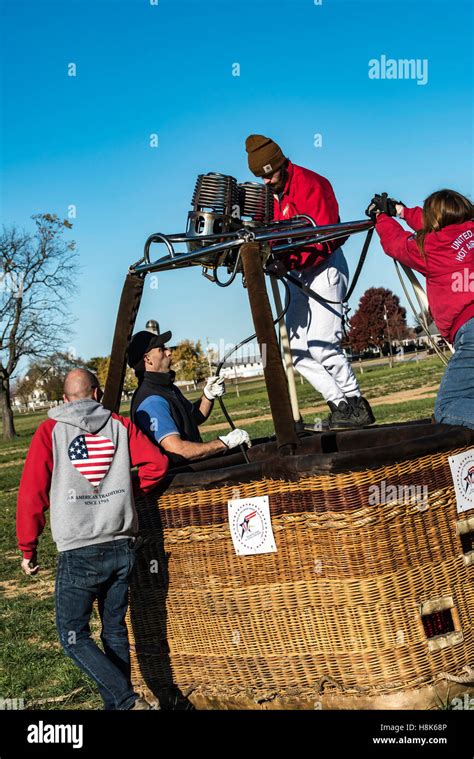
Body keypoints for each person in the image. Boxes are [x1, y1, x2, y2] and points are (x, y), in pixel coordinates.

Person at [17, 368, 169, 710]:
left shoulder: (50, 431)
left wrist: (28, 546)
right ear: (97, 394)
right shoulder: (119, 425)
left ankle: (127, 701)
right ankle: (121, 704)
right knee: (113, 628)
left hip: (79, 550)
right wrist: (126, 494)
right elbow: (157, 464)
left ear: (65, 399)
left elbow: (32, 493)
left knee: (72, 636)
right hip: (121, 545)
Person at [245, 134, 375, 429]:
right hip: (293, 272)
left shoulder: (312, 184)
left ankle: (357, 403)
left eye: (269, 174)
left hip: (323, 268)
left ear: (281, 164)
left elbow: (325, 239)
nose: (266, 182)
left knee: (322, 344)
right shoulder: (267, 197)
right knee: (296, 349)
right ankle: (340, 405)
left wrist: (287, 260)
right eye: (259, 178)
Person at [367, 189, 474, 428]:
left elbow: (396, 244)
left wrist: (381, 218)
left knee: (449, 406)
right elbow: (440, 222)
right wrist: (401, 211)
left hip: (472, 327)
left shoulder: (431, 246)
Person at [128, 329, 251, 461]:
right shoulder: (151, 401)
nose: (169, 352)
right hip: (180, 478)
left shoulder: (166, 388)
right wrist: (224, 443)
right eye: (162, 349)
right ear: (147, 359)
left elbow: (195, 417)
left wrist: (208, 395)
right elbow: (178, 450)